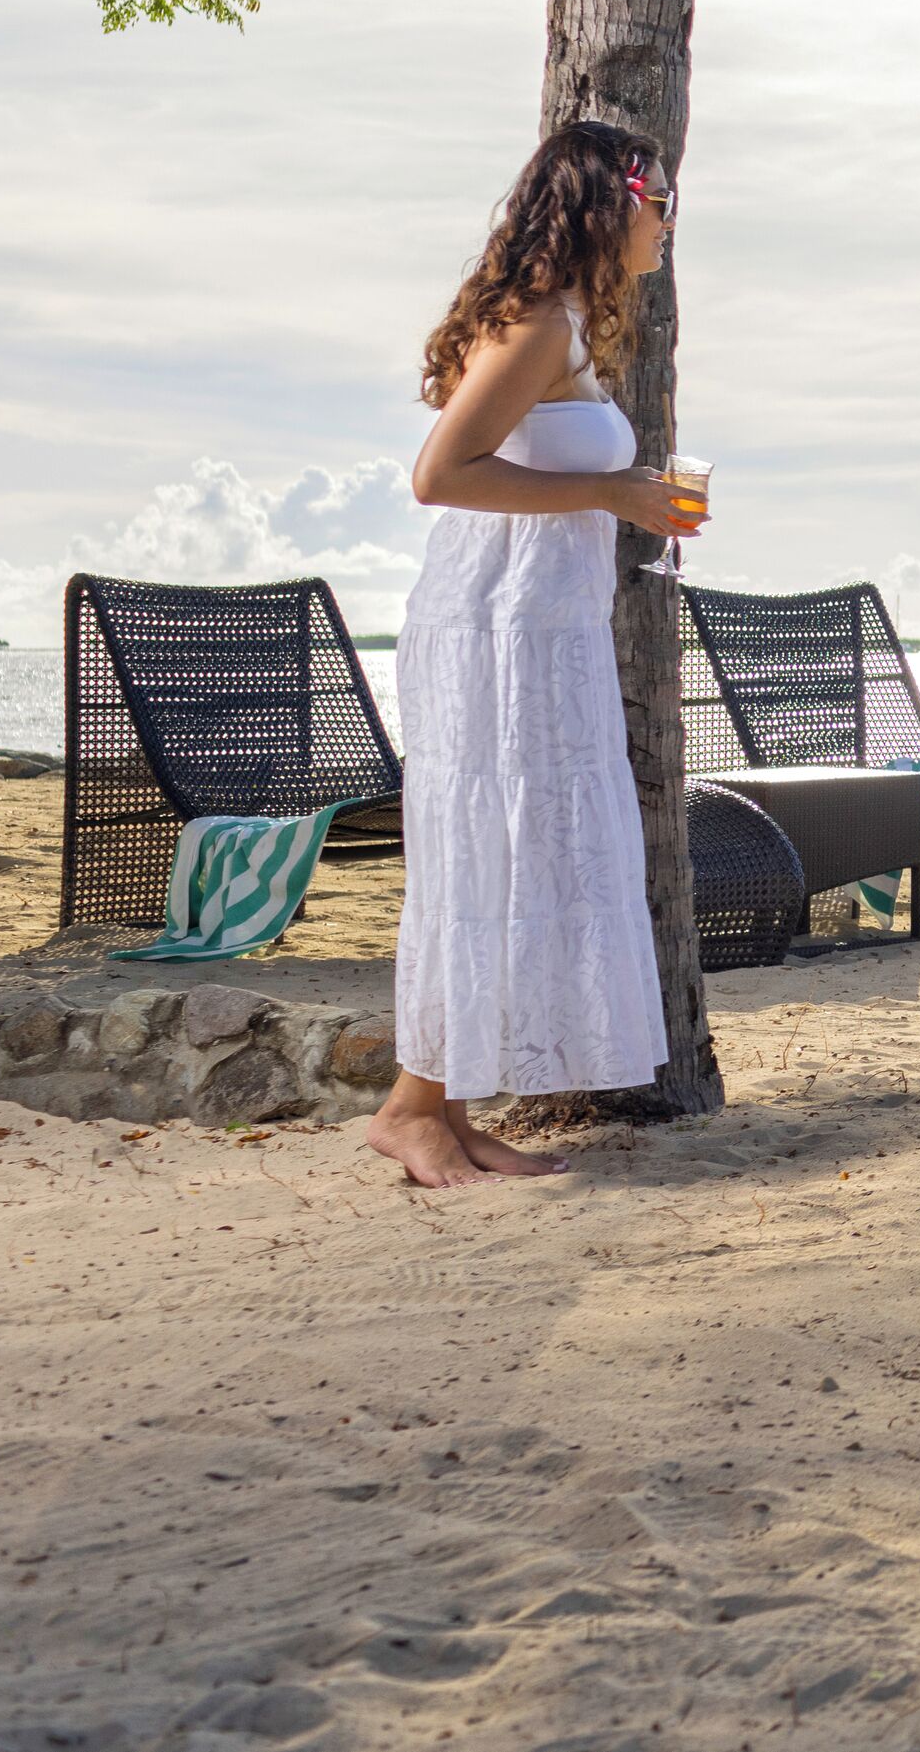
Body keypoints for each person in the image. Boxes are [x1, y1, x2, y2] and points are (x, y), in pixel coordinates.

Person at [373, 119, 707, 1189]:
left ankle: (446, 1108)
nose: (666, 225)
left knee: (507, 856)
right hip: (495, 630)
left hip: (535, 628)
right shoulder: (541, 322)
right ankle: (411, 1111)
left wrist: (623, 492)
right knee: (482, 854)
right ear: (614, 204)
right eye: (661, 202)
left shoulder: (562, 325)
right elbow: (441, 473)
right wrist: (611, 489)